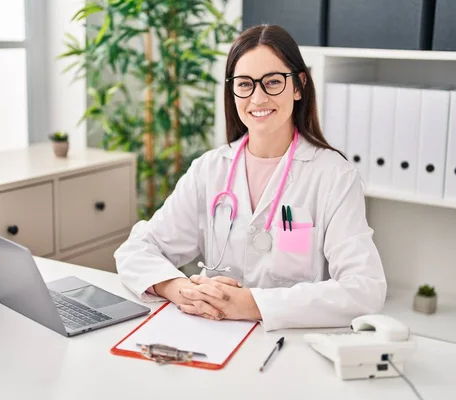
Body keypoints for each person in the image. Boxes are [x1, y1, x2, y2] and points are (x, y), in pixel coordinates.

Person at [114, 24, 386, 331]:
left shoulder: (333, 176)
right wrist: (180, 290)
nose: (257, 98)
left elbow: (365, 289)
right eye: (244, 84)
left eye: (272, 82)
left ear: (298, 86)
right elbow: (136, 249)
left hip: (286, 342)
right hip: (212, 334)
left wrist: (251, 304)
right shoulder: (209, 169)